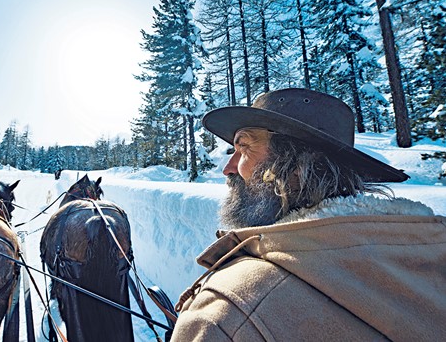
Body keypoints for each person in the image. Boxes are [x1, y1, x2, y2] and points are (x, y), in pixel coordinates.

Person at [171, 88, 446, 341]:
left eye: (244, 147)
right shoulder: (430, 253)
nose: (228, 168)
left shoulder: (224, 315)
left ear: (298, 166)